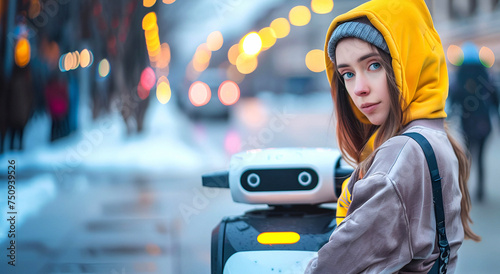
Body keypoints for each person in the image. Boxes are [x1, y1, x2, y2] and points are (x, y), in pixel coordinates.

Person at [305, 0, 480, 273]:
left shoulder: (401, 155)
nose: (359, 88)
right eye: (348, 74)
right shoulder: (436, 136)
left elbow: (330, 268)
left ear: (407, 63)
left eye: (373, 65)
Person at [449, 42, 500, 202]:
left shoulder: (459, 78)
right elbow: (495, 102)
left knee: (467, 157)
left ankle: (464, 189)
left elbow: (454, 101)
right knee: (481, 158)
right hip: (484, 124)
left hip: (467, 125)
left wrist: (448, 120)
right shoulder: (486, 77)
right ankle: (480, 190)